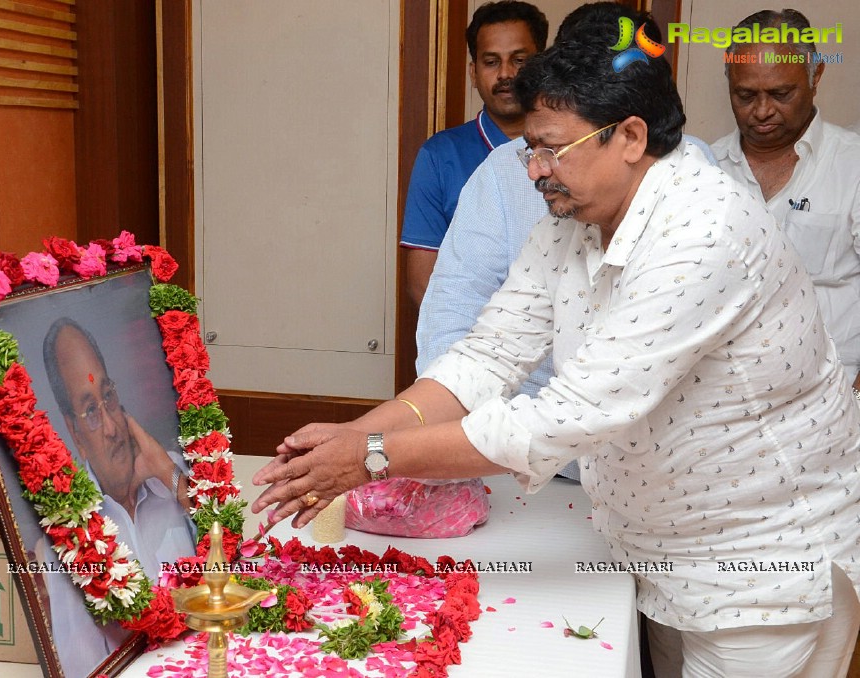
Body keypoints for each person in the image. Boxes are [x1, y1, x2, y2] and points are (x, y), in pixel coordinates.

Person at [254, 14, 860, 678]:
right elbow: (489, 353)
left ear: (629, 137)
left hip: (759, 564)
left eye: (549, 149)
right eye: (529, 150)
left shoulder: (703, 230)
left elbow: (560, 418)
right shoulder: (577, 211)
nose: (535, 171)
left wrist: (370, 458)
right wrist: (354, 436)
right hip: (663, 543)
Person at [418, 2, 716, 482]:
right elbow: (470, 330)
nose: (538, 170)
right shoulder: (521, 183)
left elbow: (598, 400)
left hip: (661, 471)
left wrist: (379, 453)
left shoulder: (701, 199)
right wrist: (416, 435)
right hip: (522, 457)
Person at [712, 8, 860, 393]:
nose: (762, 111)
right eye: (745, 95)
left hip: (832, 396)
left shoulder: (853, 166)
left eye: (781, 94)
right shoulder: (702, 169)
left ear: (816, 76)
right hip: (721, 401)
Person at [41, 317, 198, 676]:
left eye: (108, 397)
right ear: (73, 430)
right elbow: (84, 668)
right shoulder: (68, 532)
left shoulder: (171, 473)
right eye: (91, 411)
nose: (112, 427)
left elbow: (231, 564)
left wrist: (170, 477)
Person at [400, 0, 548, 307]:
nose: (506, 74)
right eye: (491, 62)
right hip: (473, 346)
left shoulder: (575, 148)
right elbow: (422, 286)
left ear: (542, 65)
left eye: (519, 60)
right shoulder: (439, 157)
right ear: (473, 71)